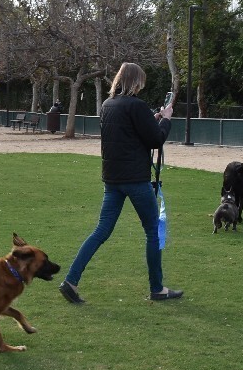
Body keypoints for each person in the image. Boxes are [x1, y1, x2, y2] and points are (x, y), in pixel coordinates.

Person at [58, 62, 182, 304]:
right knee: (152, 231)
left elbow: (128, 132)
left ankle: (71, 281)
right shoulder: (136, 105)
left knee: (101, 230)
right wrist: (165, 119)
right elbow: (155, 140)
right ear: (135, 82)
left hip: (113, 178)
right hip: (135, 179)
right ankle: (157, 288)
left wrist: (152, 118)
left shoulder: (108, 105)